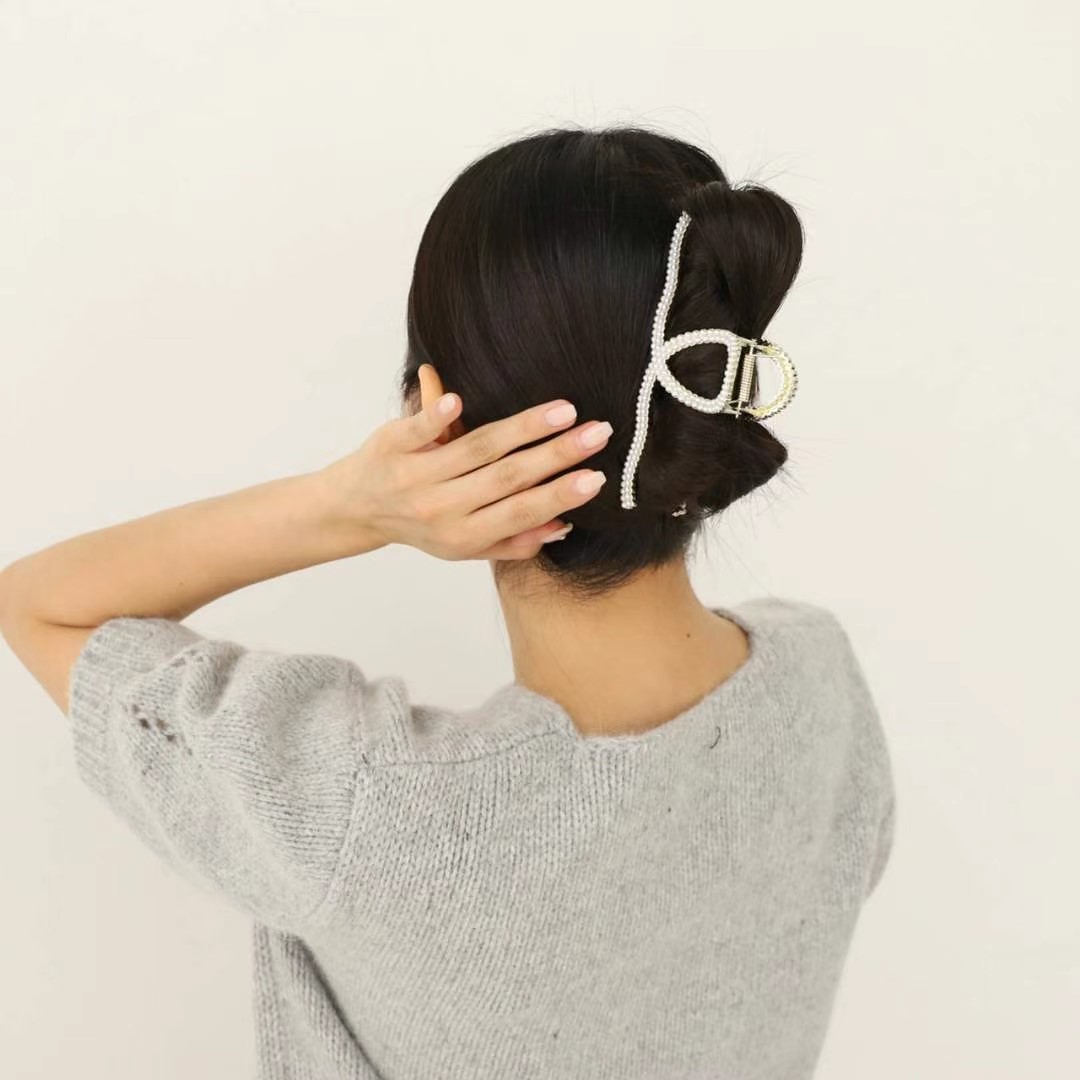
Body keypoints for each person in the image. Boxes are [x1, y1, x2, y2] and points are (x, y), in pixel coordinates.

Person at [0, 125, 895, 1080]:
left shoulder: (367, 809)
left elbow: (39, 605)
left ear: (430, 414)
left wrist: (348, 506)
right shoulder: (820, 687)